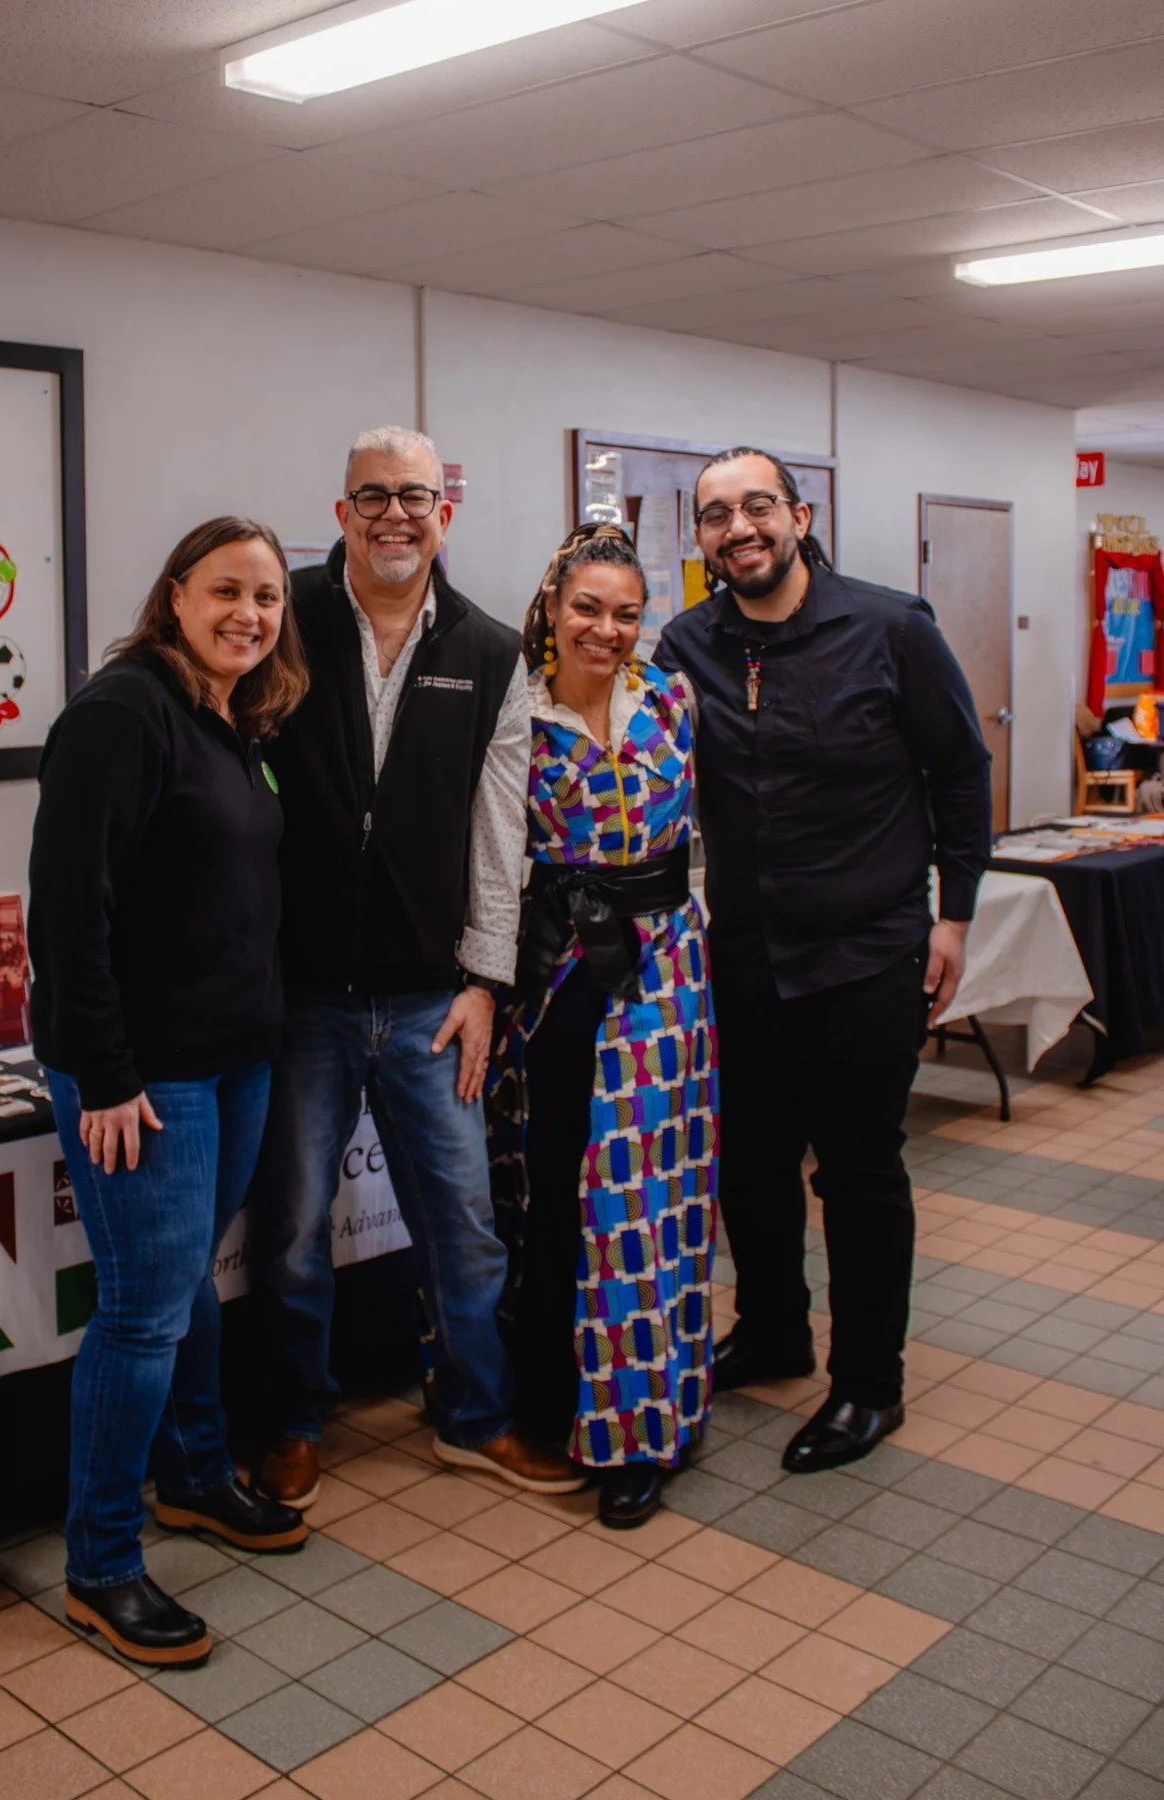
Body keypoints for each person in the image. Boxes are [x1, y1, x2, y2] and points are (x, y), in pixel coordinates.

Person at [250, 426, 582, 1509]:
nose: (395, 514)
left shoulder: (489, 653)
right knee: (292, 1231)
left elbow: (500, 835)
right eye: (374, 495)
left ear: (448, 510)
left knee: (463, 1225)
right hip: (303, 996)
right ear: (340, 511)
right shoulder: (283, 623)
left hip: (432, 999)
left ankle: (476, 1418)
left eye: (415, 496)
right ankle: (293, 1421)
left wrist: (484, 983)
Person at [655, 447, 991, 1473]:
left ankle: (868, 1385)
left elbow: (960, 773)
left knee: (858, 1172)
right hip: (742, 957)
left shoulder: (892, 629)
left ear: (799, 518)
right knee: (749, 1164)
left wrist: (954, 917)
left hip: (866, 954)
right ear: (701, 538)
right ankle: (772, 1332)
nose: (739, 528)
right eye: (716, 515)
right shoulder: (686, 645)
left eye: (758, 506)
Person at [27, 516, 311, 1669]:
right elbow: (67, 909)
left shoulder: (230, 719)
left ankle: (193, 1476)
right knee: (143, 1312)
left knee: (190, 1278)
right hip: (145, 1077)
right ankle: (99, 1566)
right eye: (227, 590)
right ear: (176, 594)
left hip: (236, 1057)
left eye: (269, 598)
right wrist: (102, 1071)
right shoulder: (122, 711)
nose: (250, 613)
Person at [489, 524, 716, 1530]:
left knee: (649, 1194)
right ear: (552, 607)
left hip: (666, 977)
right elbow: (490, 856)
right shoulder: (515, 713)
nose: (607, 629)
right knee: (553, 1191)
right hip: (557, 975)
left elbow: (711, 830)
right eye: (587, 608)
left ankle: (645, 1429)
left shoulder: (670, 700)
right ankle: (549, 1405)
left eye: (627, 613)